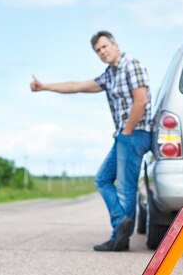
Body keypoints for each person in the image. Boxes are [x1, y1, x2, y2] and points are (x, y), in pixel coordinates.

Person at [30, 30, 152, 252]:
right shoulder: (110, 74)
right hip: (125, 135)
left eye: (104, 47)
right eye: (97, 50)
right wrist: (46, 86)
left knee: (125, 189)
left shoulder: (131, 65)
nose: (102, 52)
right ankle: (120, 225)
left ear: (116, 46)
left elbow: (141, 100)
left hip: (135, 134)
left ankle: (119, 238)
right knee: (102, 179)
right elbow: (78, 86)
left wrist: (126, 131)